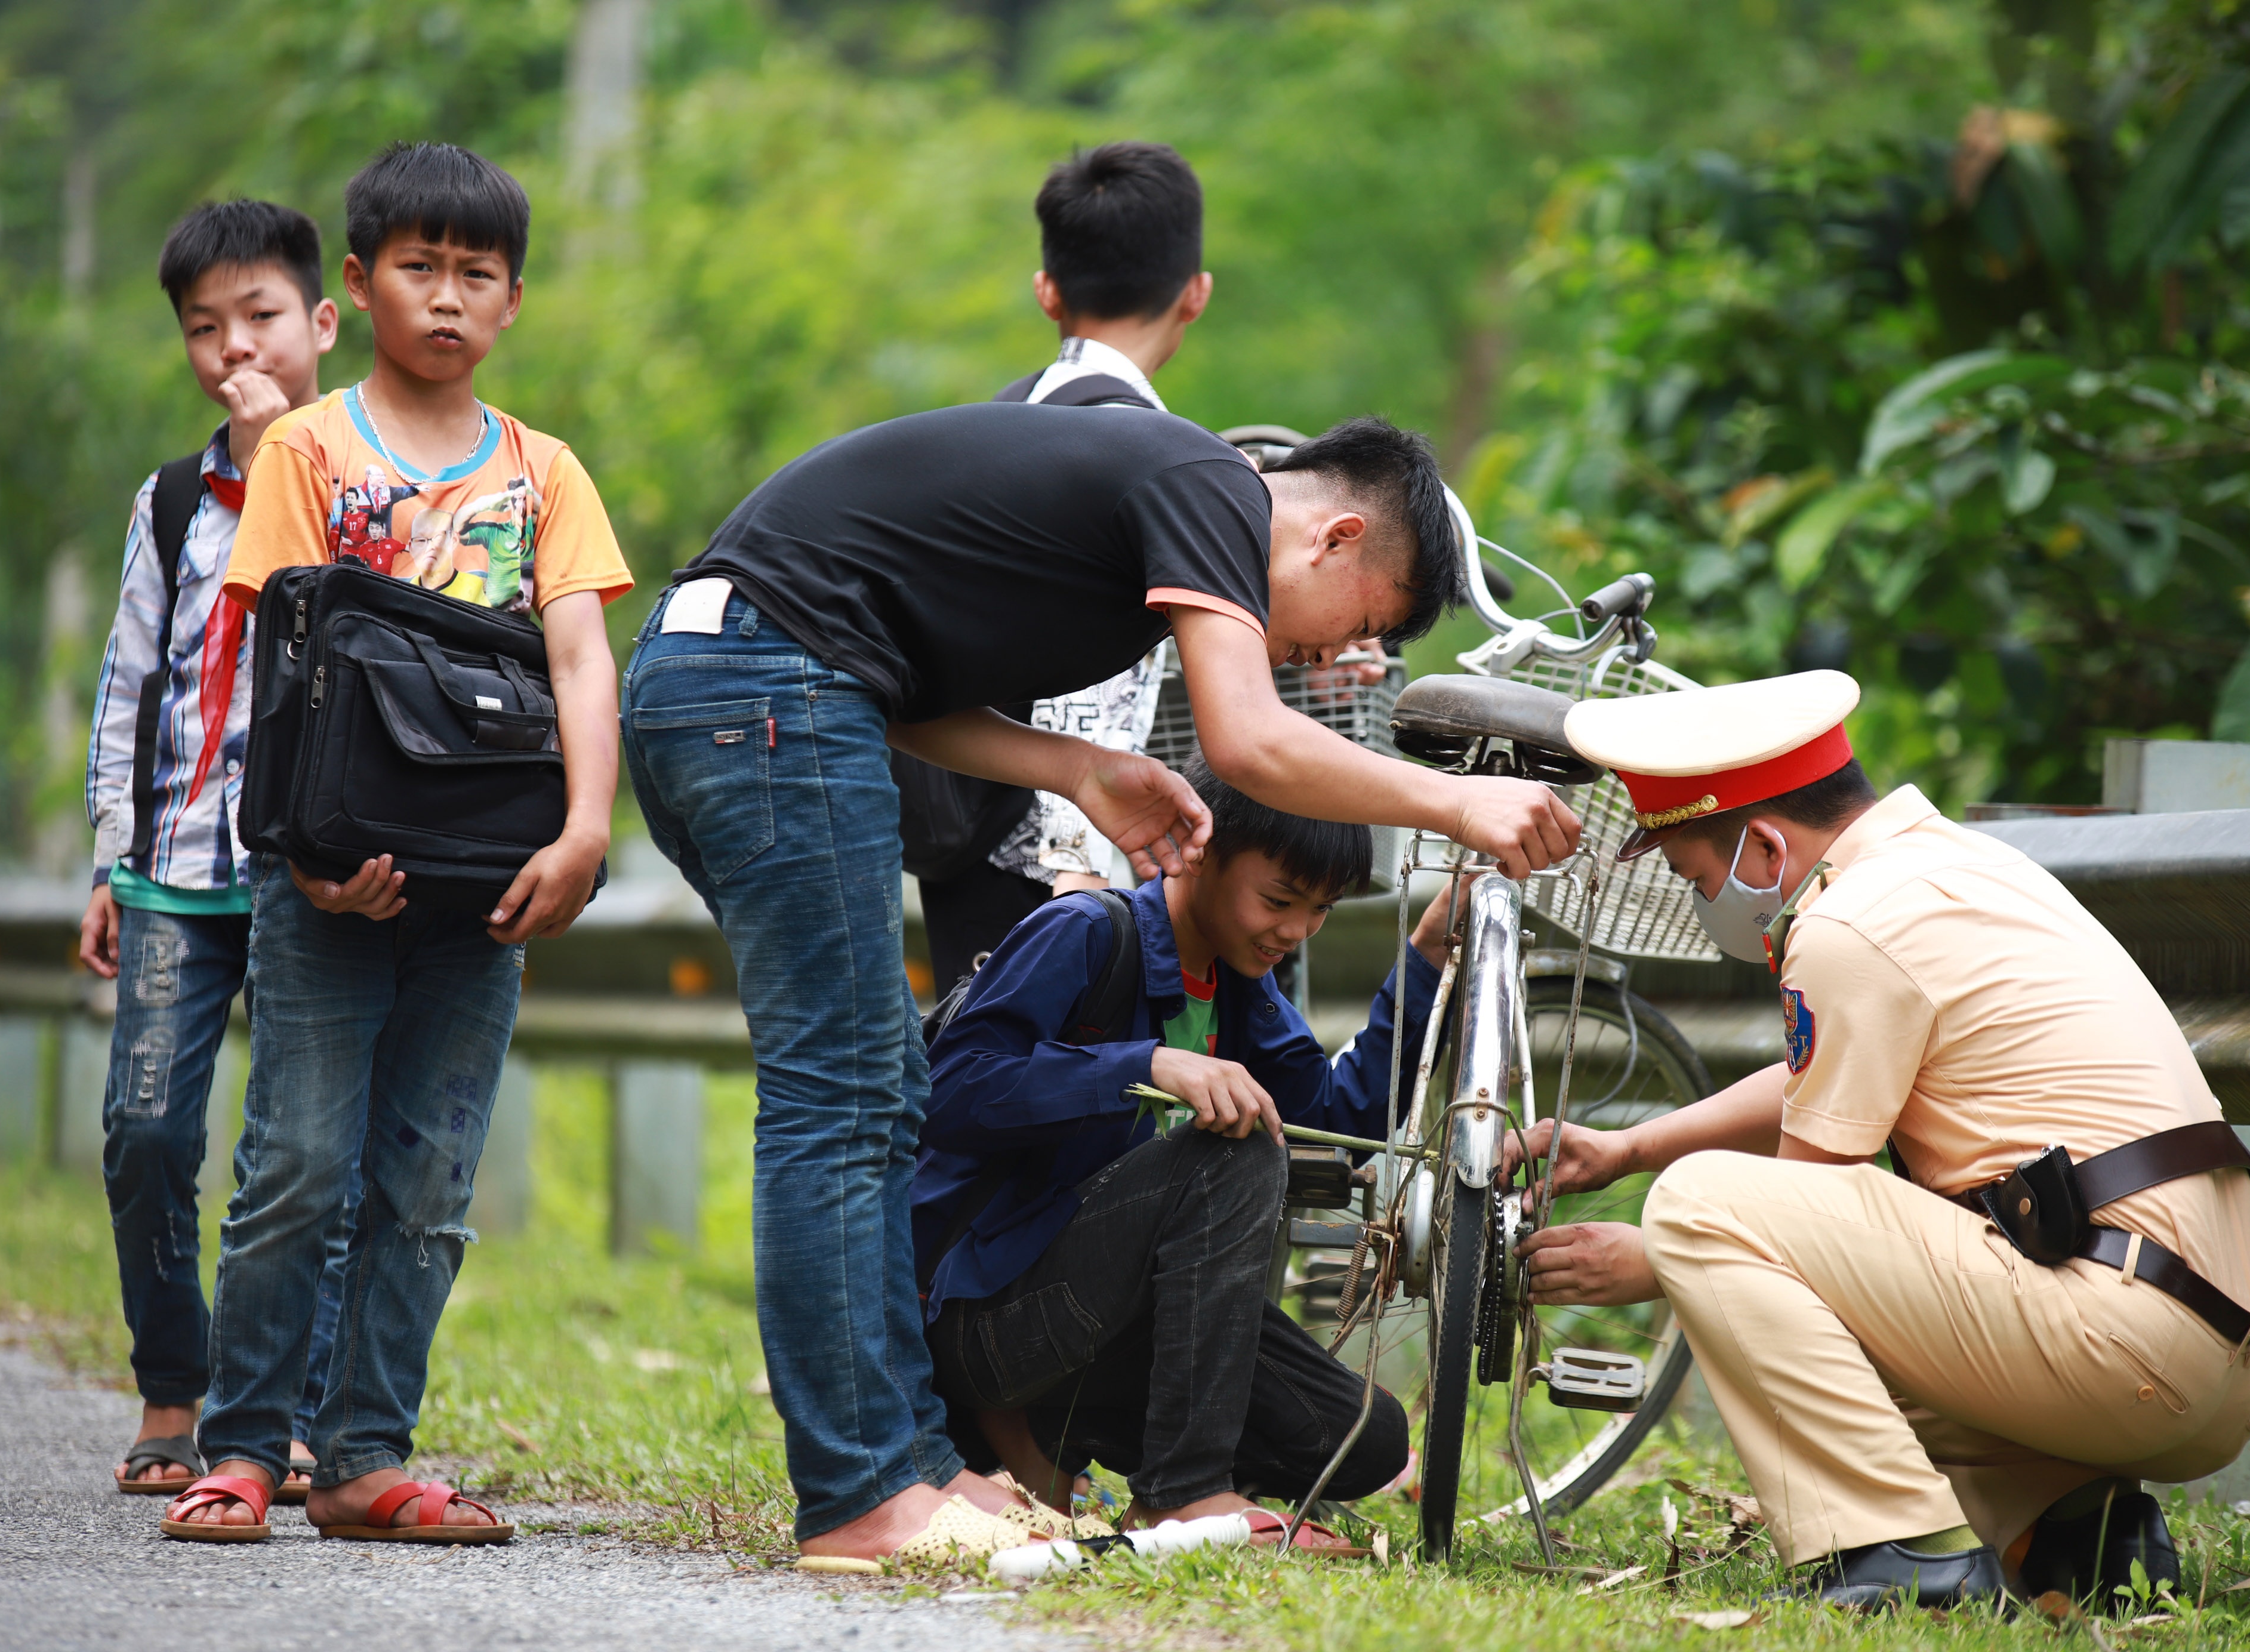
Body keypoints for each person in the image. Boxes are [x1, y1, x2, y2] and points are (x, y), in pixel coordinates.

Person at [627, 406, 1577, 1565]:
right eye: (1355, 630)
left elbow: (910, 695)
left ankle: (911, 1470)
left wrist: (1081, 768)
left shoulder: (1155, 506)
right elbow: (1250, 744)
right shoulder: (1209, 484)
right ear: (1332, 538)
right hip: (768, 691)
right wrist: (1457, 802)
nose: (1327, 662)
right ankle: (863, 1489)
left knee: (866, 1094)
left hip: (737, 682)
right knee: (849, 1101)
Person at [1512, 671, 2250, 1610]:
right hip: (2219, 1359)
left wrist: (1657, 1254)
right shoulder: (1955, 870)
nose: (1703, 903)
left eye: (1696, 878)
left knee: (1704, 1209)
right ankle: (2073, 1529)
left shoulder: (1849, 925)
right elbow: (1819, 1079)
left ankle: (1904, 1557)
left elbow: (1802, 1210)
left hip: (2124, 1348)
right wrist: (1630, 1149)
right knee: (1765, 1244)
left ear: (1762, 843)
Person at [159, 141, 632, 1543]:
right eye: (417, 268)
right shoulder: (308, 447)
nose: (444, 297)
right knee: (298, 1164)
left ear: (513, 301)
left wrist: (587, 834)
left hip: (486, 885)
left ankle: (366, 1455)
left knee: (426, 1183)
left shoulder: (545, 472)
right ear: (357, 287)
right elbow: (272, 650)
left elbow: (581, 659)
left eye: (473, 275)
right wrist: (297, 850)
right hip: (328, 871)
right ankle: (246, 1448)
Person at [917, 758, 1453, 1546]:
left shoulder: (1237, 982)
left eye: (1320, 910)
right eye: (1279, 900)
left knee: (1362, 1438)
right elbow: (954, 1089)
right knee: (1233, 1156)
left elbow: (1339, 1112)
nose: (1296, 932)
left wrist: (1432, 951)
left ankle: (1151, 1479)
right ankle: (1183, 1495)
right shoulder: (1089, 933)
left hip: (1106, 1325)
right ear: (1197, 850)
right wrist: (1144, 1065)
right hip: (987, 1317)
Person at [81, 198, 357, 1506]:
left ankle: (284, 1412)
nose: (234, 345)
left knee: (301, 1151)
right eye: (205, 328)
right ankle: (171, 1388)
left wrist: (285, 462)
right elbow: (134, 680)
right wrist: (106, 853)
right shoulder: (175, 499)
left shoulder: (371, 474)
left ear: (321, 321)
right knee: (144, 1129)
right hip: (173, 866)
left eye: (260, 317)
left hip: (315, 861)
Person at [914, 140, 1214, 987]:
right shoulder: (1136, 447)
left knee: (980, 1085)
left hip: (963, 827)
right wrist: (1078, 872)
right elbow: (1096, 678)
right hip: (1051, 862)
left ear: (1047, 291)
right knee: (1050, 1099)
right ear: (1196, 294)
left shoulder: (1004, 419)